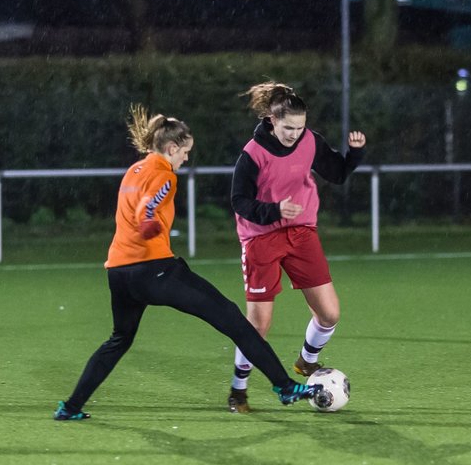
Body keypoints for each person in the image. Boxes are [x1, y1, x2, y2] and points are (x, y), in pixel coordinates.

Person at [54, 105, 319, 420]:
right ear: (171, 148)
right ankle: (284, 386)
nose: (186, 159)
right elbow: (147, 209)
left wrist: (145, 220)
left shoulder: (134, 170)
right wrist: (148, 222)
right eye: (185, 152)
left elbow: (138, 206)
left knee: (120, 338)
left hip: (119, 272)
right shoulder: (163, 174)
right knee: (234, 320)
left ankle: (70, 407)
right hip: (154, 270)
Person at [225, 81, 366, 413]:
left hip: (301, 233)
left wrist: (355, 156)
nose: (294, 134)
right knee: (258, 324)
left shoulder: (310, 141)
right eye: (288, 127)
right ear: (272, 122)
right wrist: (273, 211)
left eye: (300, 127)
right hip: (260, 238)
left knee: (329, 313)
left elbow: (337, 173)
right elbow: (238, 201)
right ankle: (238, 390)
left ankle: (307, 362)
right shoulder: (252, 154)